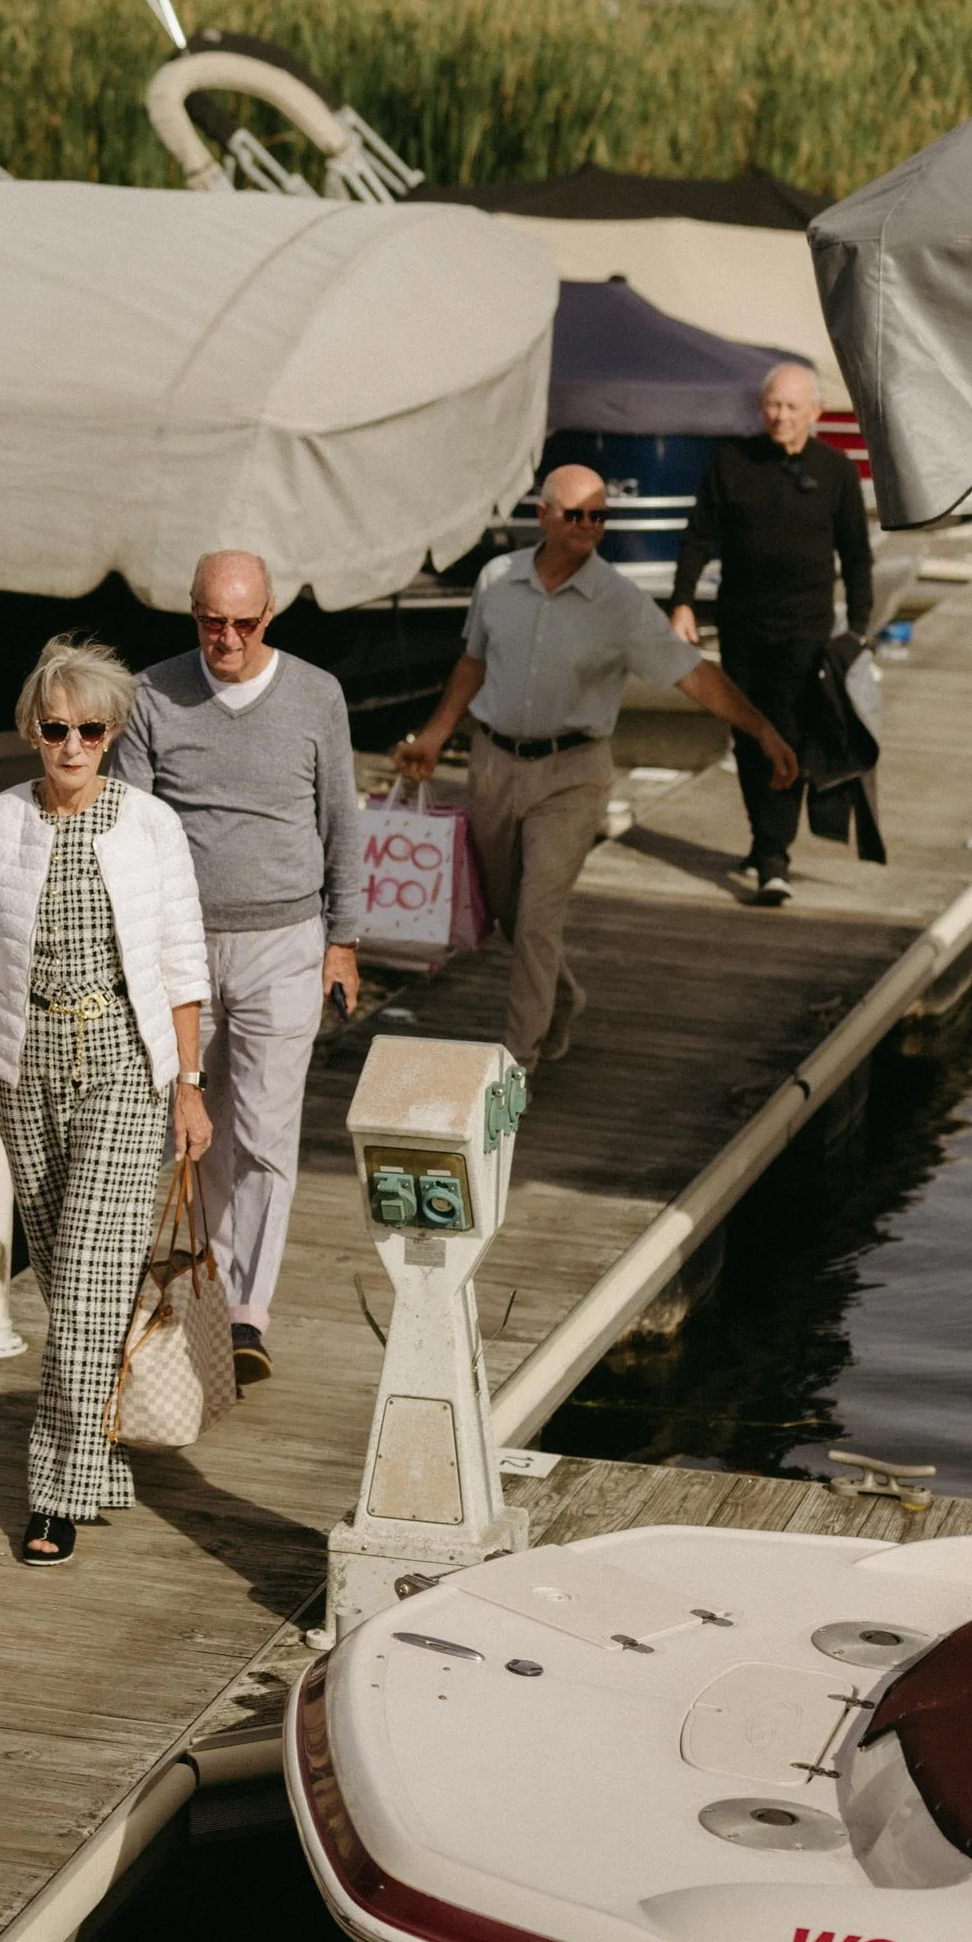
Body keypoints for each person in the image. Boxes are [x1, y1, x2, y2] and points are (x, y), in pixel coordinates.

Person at [0, 637, 212, 1566]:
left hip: (123, 1058)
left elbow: (183, 961)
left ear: (113, 733)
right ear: (31, 731)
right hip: (21, 1064)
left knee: (81, 1282)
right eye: (55, 728)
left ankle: (55, 1490)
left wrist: (190, 1085)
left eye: (90, 728)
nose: (72, 744)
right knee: (76, 1274)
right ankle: (97, 1455)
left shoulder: (152, 825)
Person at [394, 466, 798, 1069]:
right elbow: (472, 663)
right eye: (576, 514)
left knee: (535, 919)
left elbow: (692, 672)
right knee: (506, 914)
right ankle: (562, 997)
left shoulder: (620, 603)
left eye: (599, 516)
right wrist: (434, 735)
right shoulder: (496, 580)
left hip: (573, 773)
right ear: (544, 517)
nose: (589, 526)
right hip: (494, 764)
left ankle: (514, 1065)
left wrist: (760, 728)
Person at [110, 549, 361, 1388]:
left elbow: (342, 821)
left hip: (285, 939)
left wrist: (344, 938)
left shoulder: (316, 694)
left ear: (271, 615)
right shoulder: (151, 694)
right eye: (211, 621)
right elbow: (129, 828)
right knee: (193, 1126)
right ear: (192, 615)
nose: (226, 637)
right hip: (182, 945)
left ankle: (248, 1309)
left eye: (243, 623)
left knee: (264, 1128)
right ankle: (206, 1289)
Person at [669, 362, 875, 906]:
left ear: (815, 412)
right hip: (742, 625)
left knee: (789, 732)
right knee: (747, 732)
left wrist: (858, 629)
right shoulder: (734, 463)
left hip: (806, 631)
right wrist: (683, 601)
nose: (780, 416)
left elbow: (856, 556)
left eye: (790, 407)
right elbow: (698, 536)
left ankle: (773, 855)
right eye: (772, 406)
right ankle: (766, 839)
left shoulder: (836, 472)